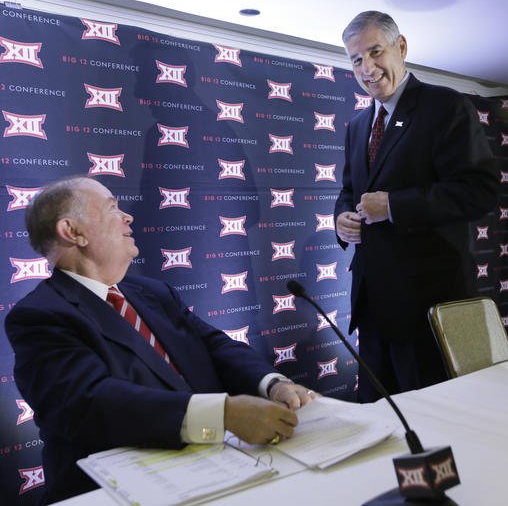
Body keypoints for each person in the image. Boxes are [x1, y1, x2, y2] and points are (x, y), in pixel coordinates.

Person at [5, 176, 315, 505]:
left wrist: (272, 383)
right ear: (72, 232)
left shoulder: (152, 292)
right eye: (112, 207)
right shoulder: (40, 316)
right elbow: (88, 403)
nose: (128, 217)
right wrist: (222, 414)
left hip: (215, 470)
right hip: (118, 492)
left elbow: (213, 345)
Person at [334, 11, 499, 402]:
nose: (367, 68)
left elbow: (480, 190)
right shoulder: (357, 125)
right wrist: (340, 219)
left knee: (434, 426)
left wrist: (394, 206)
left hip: (427, 310)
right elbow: (348, 191)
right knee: (379, 421)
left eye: (376, 52)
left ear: (401, 47)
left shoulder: (445, 106)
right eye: (356, 60)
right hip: (372, 308)